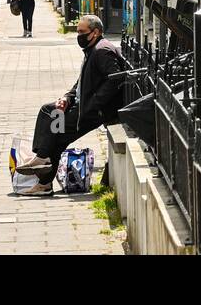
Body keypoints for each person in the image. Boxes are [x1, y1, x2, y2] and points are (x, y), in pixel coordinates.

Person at [14, 14, 126, 195]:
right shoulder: (92, 49)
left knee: (51, 119)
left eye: (82, 32)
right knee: (54, 128)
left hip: (92, 112)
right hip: (82, 107)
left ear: (95, 32)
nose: (79, 35)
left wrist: (94, 103)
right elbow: (81, 83)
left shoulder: (102, 50)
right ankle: (44, 177)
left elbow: (115, 79)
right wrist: (67, 98)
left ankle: (42, 160)